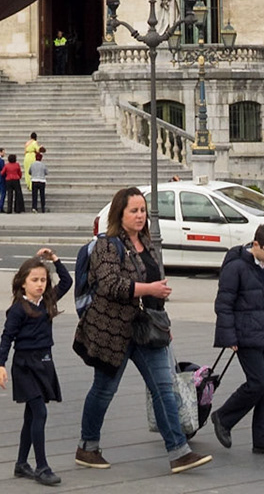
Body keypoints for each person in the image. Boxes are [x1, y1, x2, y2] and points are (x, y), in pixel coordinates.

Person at [72, 185, 211, 475]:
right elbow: (111, 285)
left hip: (148, 330)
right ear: (119, 213)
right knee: (103, 390)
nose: (140, 216)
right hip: (114, 332)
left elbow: (157, 289)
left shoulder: (146, 242)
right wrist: (149, 288)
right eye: (133, 211)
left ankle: (179, 452)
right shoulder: (106, 245)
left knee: (164, 389)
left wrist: (163, 321)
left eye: (143, 210)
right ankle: (88, 446)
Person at [210, 222, 264, 457]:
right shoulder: (235, 267)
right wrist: (229, 337)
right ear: (256, 244)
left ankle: (263, 439)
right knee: (258, 383)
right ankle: (223, 418)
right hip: (245, 335)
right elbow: (223, 304)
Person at [0, 248, 74, 486]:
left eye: (43, 280)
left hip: (44, 362)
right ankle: (42, 466)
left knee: (31, 416)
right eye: (34, 280)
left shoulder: (47, 301)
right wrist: (1, 365)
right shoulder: (18, 309)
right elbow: (7, 337)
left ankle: (21, 464)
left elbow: (68, 281)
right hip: (25, 365)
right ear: (22, 284)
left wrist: (55, 260)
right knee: (40, 412)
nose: (40, 284)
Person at [29, 148, 48, 214]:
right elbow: (46, 172)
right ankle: (43, 207)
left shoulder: (32, 164)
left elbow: (29, 172)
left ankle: (34, 207)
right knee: (42, 195)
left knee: (34, 195)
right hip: (42, 180)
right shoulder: (43, 165)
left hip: (34, 180)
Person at [24, 132, 42, 200]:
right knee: (33, 171)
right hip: (32, 156)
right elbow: (38, 150)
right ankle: (31, 186)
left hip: (26, 157)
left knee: (27, 171)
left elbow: (25, 151)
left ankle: (28, 184)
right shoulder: (34, 142)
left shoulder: (27, 143)